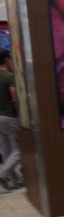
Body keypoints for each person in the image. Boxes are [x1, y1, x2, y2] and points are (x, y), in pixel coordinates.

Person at [0, 50, 22, 191]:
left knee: (7, 150)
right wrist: (20, 112)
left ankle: (14, 181)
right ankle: (2, 173)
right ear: (6, 60)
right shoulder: (9, 76)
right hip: (9, 116)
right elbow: (14, 96)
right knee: (19, 150)